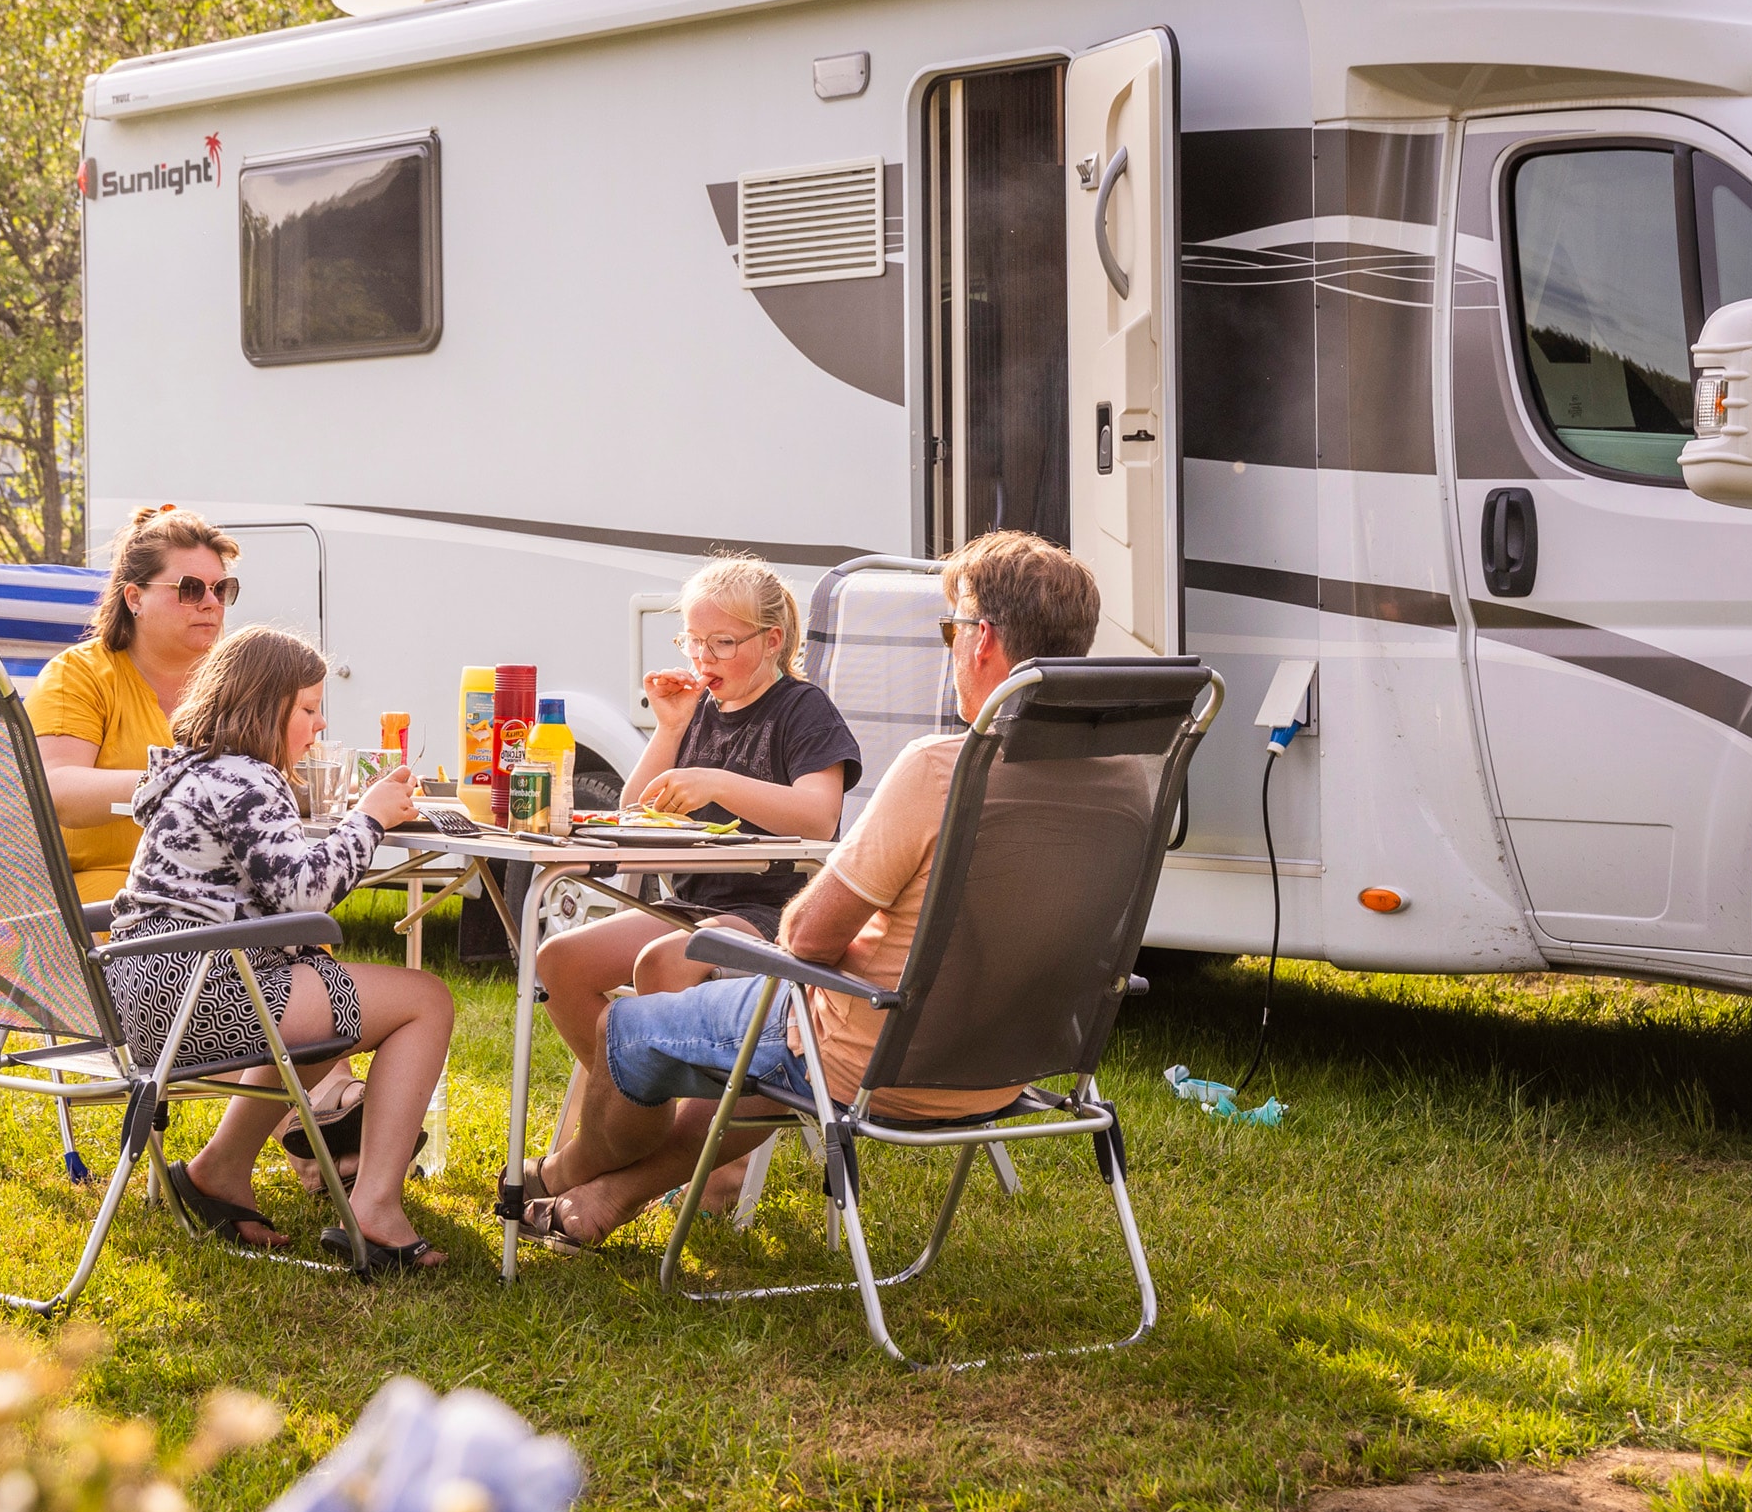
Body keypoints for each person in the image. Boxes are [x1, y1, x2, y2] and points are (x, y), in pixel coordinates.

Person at [521, 529, 1100, 1248]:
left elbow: (806, 939)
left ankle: (559, 1173)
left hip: (863, 1049)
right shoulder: (1122, 777)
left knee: (625, 1029)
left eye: (953, 630)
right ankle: (615, 1189)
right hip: (1010, 1059)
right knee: (606, 974)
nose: (950, 648)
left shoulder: (934, 769)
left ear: (981, 644)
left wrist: (830, 953)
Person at [515, 555, 859, 1214]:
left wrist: (718, 783)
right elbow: (635, 812)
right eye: (693, 642)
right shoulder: (700, 712)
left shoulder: (803, 711)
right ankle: (635, 1132)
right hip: (694, 901)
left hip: (773, 911)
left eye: (722, 643)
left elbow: (818, 814)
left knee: (665, 961)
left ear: (771, 641)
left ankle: (702, 1161)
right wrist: (672, 727)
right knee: (560, 960)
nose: (704, 656)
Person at [109, 626, 452, 1271]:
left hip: (146, 990)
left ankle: (219, 1173)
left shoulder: (199, 771)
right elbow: (304, 893)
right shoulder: (247, 779)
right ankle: (376, 1209)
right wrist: (370, 818)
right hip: (200, 995)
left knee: (312, 983)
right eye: (308, 708)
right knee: (425, 1001)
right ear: (265, 705)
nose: (319, 725)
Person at [28, 506, 241, 908]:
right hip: (111, 893)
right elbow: (58, 789)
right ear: (134, 598)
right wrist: (185, 779)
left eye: (221, 588)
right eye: (191, 588)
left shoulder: (237, 681)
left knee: (300, 948)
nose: (211, 603)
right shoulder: (80, 674)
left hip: (220, 887)